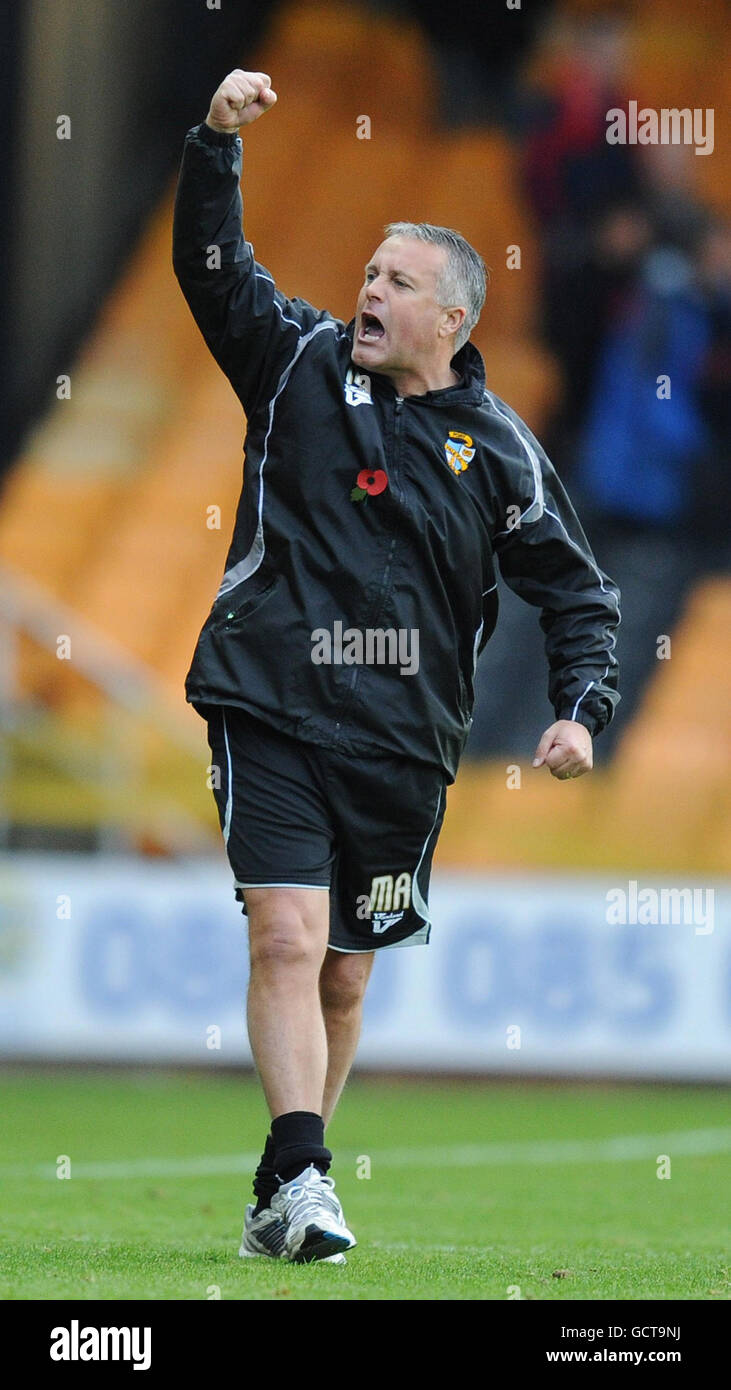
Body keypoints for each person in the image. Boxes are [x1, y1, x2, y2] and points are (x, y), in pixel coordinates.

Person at [172, 69, 621, 1265]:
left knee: (342, 984)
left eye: (397, 282)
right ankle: (306, 1175)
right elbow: (212, 272)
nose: (367, 291)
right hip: (268, 702)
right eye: (366, 272)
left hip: (403, 748)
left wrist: (578, 709)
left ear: (451, 321)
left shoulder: (499, 453)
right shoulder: (297, 366)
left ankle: (284, 1192)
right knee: (282, 932)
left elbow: (575, 591)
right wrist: (217, 145)